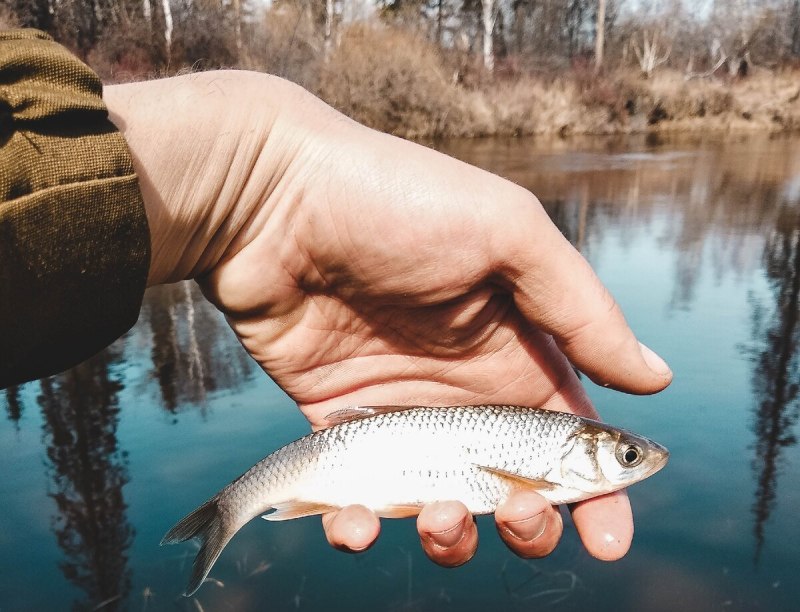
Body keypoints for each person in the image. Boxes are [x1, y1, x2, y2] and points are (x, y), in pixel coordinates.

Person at [0, 30, 672, 569]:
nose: (636, 462)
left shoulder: (549, 454)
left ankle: (233, 509)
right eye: (627, 457)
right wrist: (264, 178)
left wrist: (258, 180)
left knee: (406, 512)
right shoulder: (553, 456)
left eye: (628, 456)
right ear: (584, 449)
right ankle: (230, 510)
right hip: (360, 442)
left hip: (359, 447)